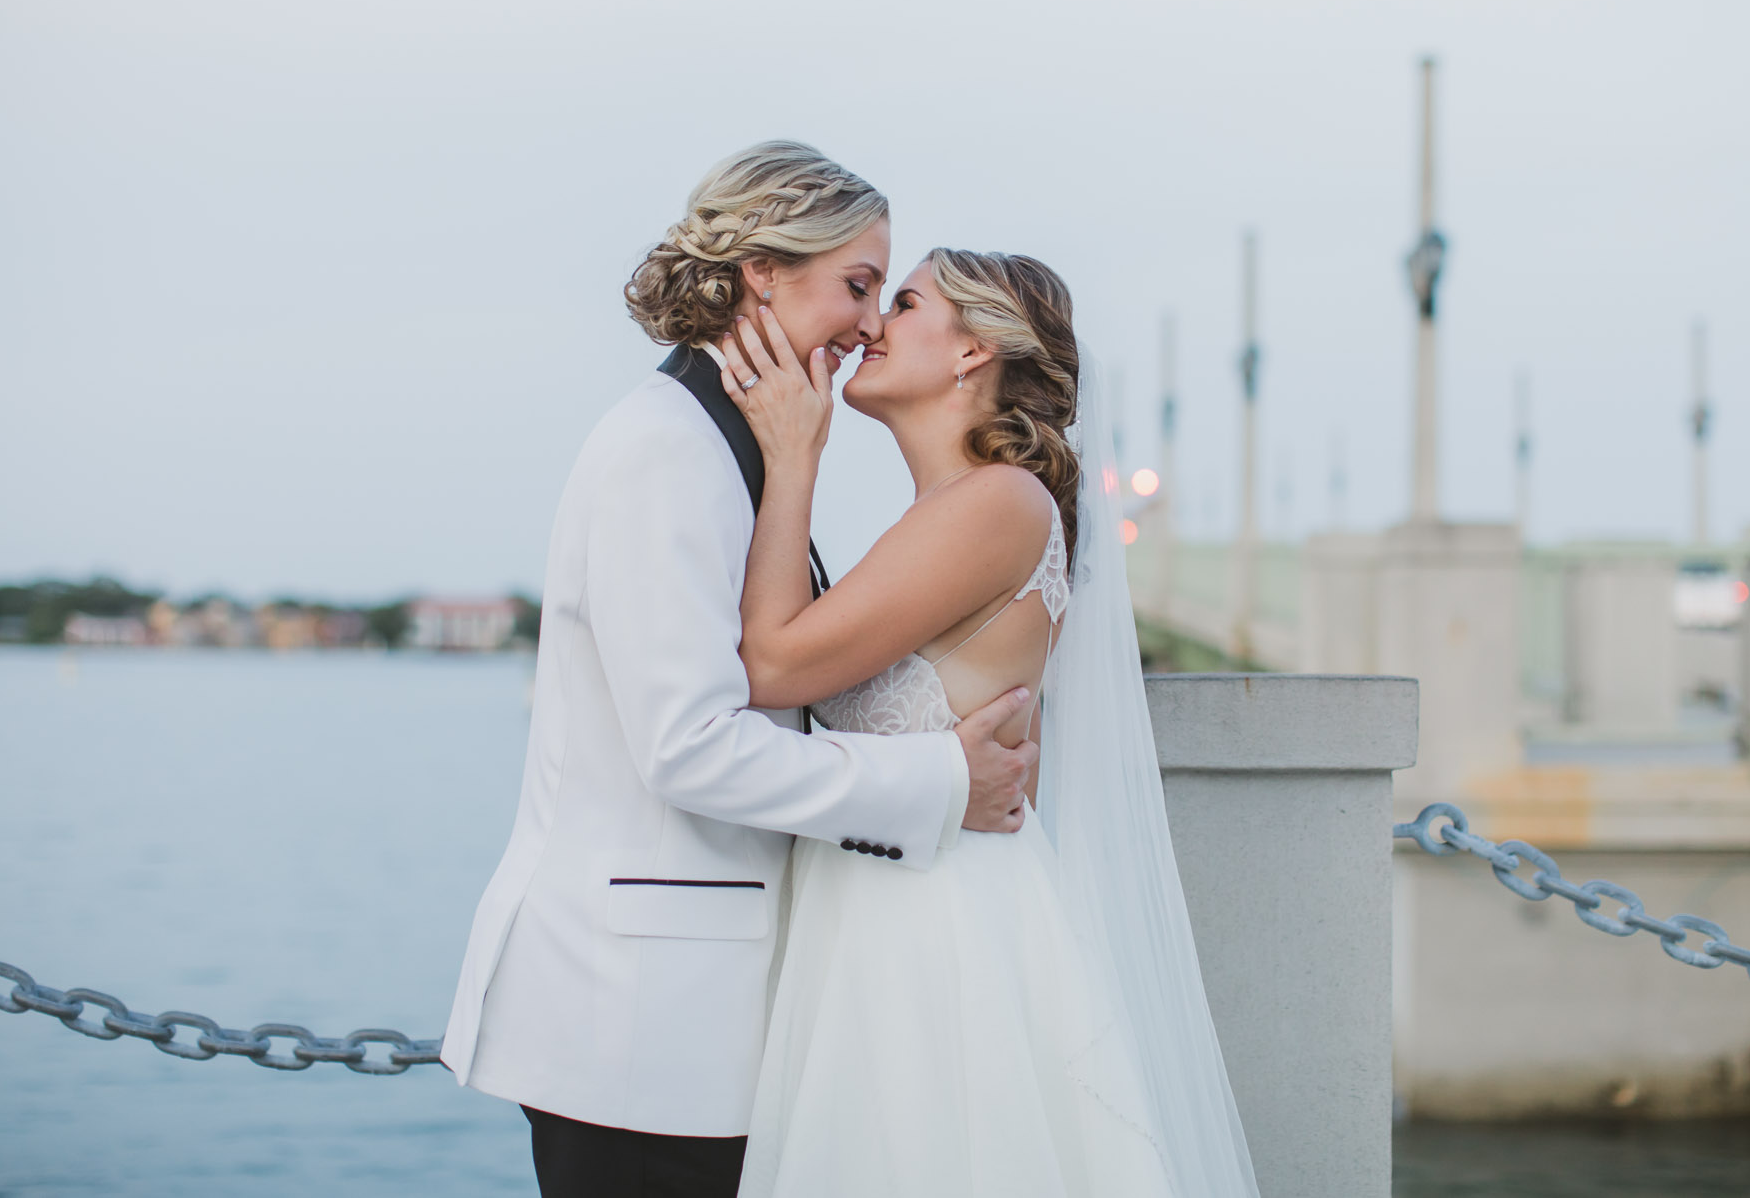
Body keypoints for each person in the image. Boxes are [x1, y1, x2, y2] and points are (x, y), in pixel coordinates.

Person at [438, 143, 1038, 1198]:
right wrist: (941, 780)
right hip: (635, 1021)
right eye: (857, 286)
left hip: (695, 1011)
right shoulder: (667, 450)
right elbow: (687, 749)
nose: (864, 326)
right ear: (763, 270)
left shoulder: (733, 448)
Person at [714, 250, 1261, 1197]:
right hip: (879, 922)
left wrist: (792, 455)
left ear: (973, 349)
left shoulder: (1000, 503)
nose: (871, 322)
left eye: (907, 299)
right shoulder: (948, 512)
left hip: (938, 938)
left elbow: (770, 666)